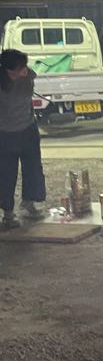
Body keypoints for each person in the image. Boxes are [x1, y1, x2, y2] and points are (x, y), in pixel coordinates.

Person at [0, 48, 46, 229]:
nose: (25, 69)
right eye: (21, 67)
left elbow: (32, 75)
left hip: (28, 129)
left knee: (33, 167)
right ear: (10, 71)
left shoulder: (28, 77)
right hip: (5, 133)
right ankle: (8, 213)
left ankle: (29, 202)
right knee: (6, 173)